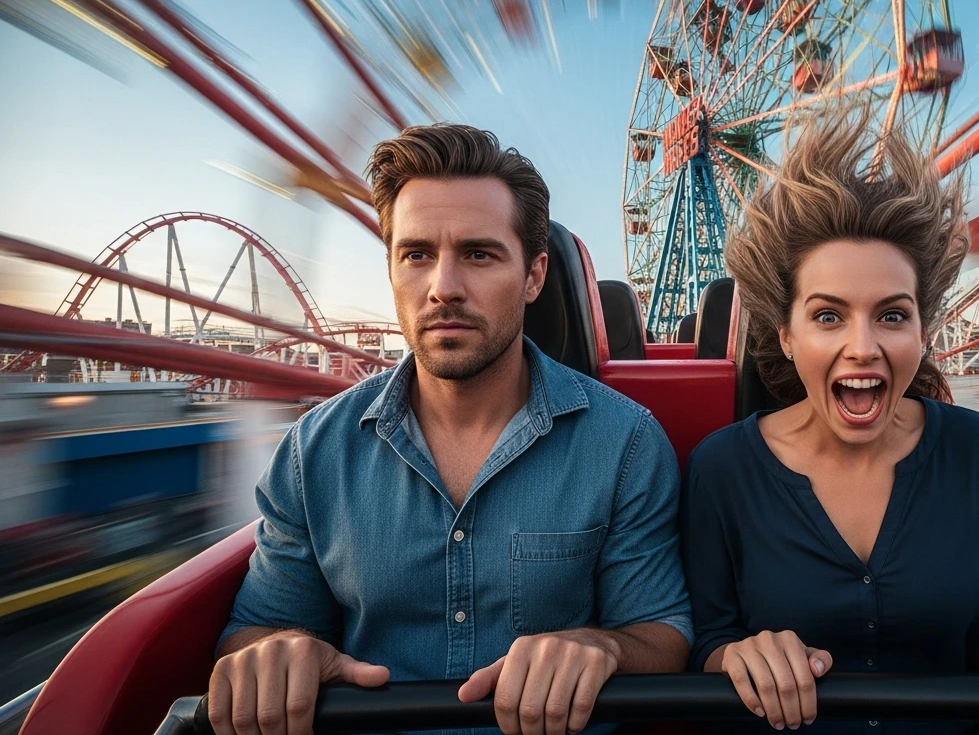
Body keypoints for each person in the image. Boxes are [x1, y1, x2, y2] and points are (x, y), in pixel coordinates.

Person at [210, 125, 691, 735]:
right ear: (391, 270)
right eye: (416, 255)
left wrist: (604, 648)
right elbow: (252, 629)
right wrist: (276, 654)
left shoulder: (625, 444)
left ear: (535, 275)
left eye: (479, 254)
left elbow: (663, 634)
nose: (443, 288)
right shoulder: (314, 452)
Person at [680, 106, 979, 735]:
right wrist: (735, 657)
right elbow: (706, 639)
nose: (862, 346)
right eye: (828, 316)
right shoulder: (721, 469)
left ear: (923, 332)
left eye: (891, 315)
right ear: (787, 336)